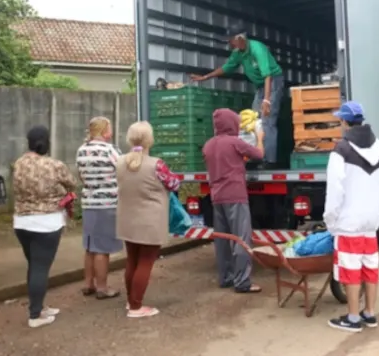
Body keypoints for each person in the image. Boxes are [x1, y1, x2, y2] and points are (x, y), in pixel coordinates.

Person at [323, 101, 379, 333]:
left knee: (351, 269)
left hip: (349, 222)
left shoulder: (341, 150)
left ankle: (352, 318)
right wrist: (376, 214)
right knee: (370, 266)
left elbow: (335, 191)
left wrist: (331, 222)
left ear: (344, 122)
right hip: (370, 221)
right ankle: (369, 314)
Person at [189, 23, 285, 168]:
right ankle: (256, 156)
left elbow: (268, 76)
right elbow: (226, 68)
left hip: (273, 82)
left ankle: (270, 161)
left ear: (240, 38)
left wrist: (266, 100)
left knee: (267, 120)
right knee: (252, 121)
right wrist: (205, 77)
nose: (229, 44)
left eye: (231, 40)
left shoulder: (257, 49)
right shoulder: (238, 53)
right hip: (260, 86)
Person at [11, 125, 78, 328]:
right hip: (47, 223)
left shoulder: (19, 163)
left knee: (34, 265)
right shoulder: (54, 165)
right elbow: (72, 183)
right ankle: (35, 315)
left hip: (22, 221)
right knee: (41, 268)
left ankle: (39, 306)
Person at [115, 121, 181, 318]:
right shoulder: (157, 164)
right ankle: (136, 307)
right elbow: (174, 184)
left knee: (132, 261)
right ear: (149, 140)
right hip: (150, 221)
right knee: (145, 262)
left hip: (127, 219)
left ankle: (131, 300)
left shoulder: (119, 161)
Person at [202, 108, 264, 293]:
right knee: (241, 239)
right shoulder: (236, 142)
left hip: (217, 197)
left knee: (222, 240)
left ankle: (225, 278)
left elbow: (223, 161)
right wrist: (260, 137)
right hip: (236, 196)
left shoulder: (209, 145)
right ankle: (242, 282)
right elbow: (259, 154)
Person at [75, 116, 122, 300]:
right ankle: (103, 288)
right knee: (102, 248)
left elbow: (81, 175)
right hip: (107, 204)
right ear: (104, 131)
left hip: (88, 202)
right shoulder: (109, 150)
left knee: (90, 246)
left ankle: (88, 284)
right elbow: (122, 170)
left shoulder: (81, 150)